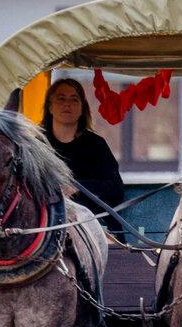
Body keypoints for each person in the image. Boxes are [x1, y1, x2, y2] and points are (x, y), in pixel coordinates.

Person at [41, 77, 125, 220]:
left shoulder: (96, 145)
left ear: (82, 109)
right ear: (50, 107)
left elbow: (115, 189)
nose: (67, 104)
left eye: (74, 99)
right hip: (47, 221)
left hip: (95, 222)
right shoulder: (36, 144)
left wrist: (76, 187)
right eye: (61, 99)